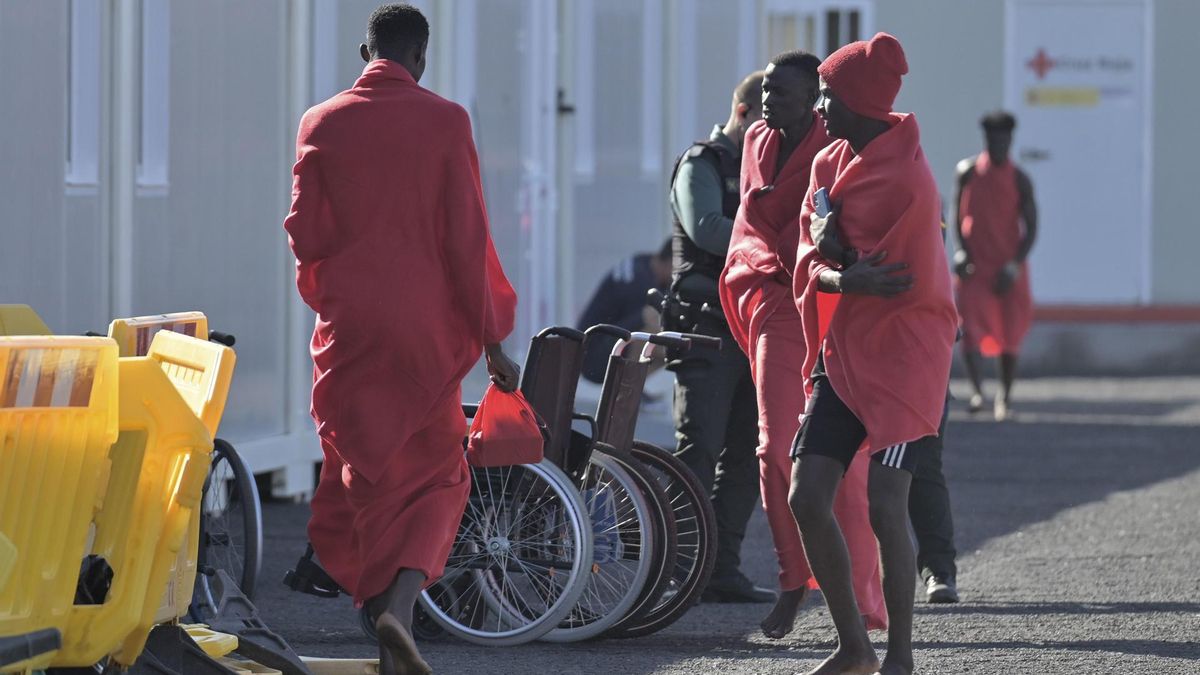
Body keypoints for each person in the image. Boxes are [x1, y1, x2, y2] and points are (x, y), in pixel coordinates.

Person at [282, 5, 519, 674]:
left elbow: (304, 231)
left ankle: (383, 623)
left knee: (363, 473)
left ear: (366, 49)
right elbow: (465, 238)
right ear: (421, 56)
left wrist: (333, 293)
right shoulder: (446, 121)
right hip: (424, 326)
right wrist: (493, 339)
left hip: (351, 324)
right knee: (438, 477)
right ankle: (400, 608)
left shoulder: (319, 122)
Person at [789, 33, 957, 675]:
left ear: (859, 99)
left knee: (888, 503)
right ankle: (854, 647)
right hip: (846, 352)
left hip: (906, 361)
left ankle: (901, 658)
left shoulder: (910, 177)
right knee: (808, 496)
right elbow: (814, 253)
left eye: (827, 94)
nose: (820, 106)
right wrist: (837, 268)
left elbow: (897, 278)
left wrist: (837, 259)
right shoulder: (827, 164)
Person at [719, 50, 885, 639]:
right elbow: (749, 223)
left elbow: (841, 225)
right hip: (772, 298)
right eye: (764, 91)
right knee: (774, 449)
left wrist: (817, 256)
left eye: (781, 94)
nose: (767, 103)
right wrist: (775, 259)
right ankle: (794, 578)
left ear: (813, 98)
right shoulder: (756, 141)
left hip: (827, 300)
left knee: (847, 457)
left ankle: (864, 599)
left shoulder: (832, 143)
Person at [665, 70, 774, 603]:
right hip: (705, 323)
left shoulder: (769, 164)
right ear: (745, 112)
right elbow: (706, 227)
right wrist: (772, 232)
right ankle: (679, 565)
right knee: (699, 445)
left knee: (745, 452)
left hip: (750, 324)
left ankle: (721, 568)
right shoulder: (702, 162)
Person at [954, 111, 1038, 421]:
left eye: (1003, 138)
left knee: (1010, 332)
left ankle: (1005, 396)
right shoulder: (967, 172)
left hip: (1008, 268)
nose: (998, 144)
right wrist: (961, 253)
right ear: (986, 139)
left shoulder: (1019, 179)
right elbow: (956, 213)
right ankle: (978, 392)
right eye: (993, 139)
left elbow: (1032, 226)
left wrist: (1014, 266)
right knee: (972, 330)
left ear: (1011, 140)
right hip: (976, 266)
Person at [576, 239, 672, 384]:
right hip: (591, 357)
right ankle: (629, 389)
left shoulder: (645, 263)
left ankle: (637, 389)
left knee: (665, 339)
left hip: (593, 349)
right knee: (660, 336)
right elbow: (639, 326)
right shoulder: (642, 284)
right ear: (672, 262)